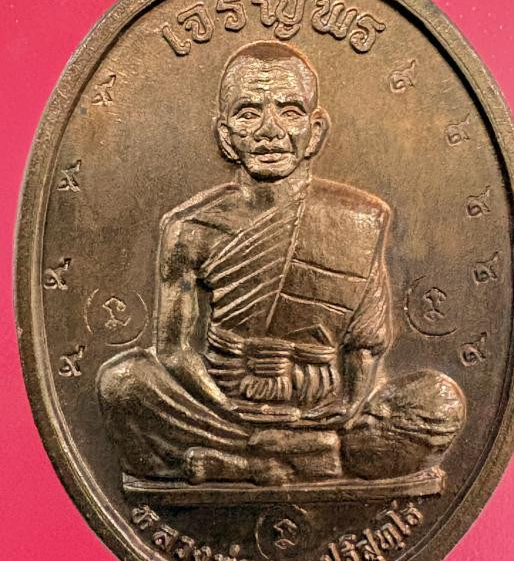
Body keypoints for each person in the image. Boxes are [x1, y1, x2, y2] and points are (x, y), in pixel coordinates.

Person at [97, 40, 466, 487]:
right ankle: (296, 459)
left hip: (322, 409)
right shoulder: (189, 227)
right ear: (225, 135)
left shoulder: (359, 219)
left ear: (316, 131)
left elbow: (365, 345)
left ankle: (257, 459)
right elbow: (174, 350)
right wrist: (227, 407)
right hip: (219, 405)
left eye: (290, 112)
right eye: (248, 113)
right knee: (122, 383)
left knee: (436, 405)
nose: (269, 131)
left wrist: (348, 405)